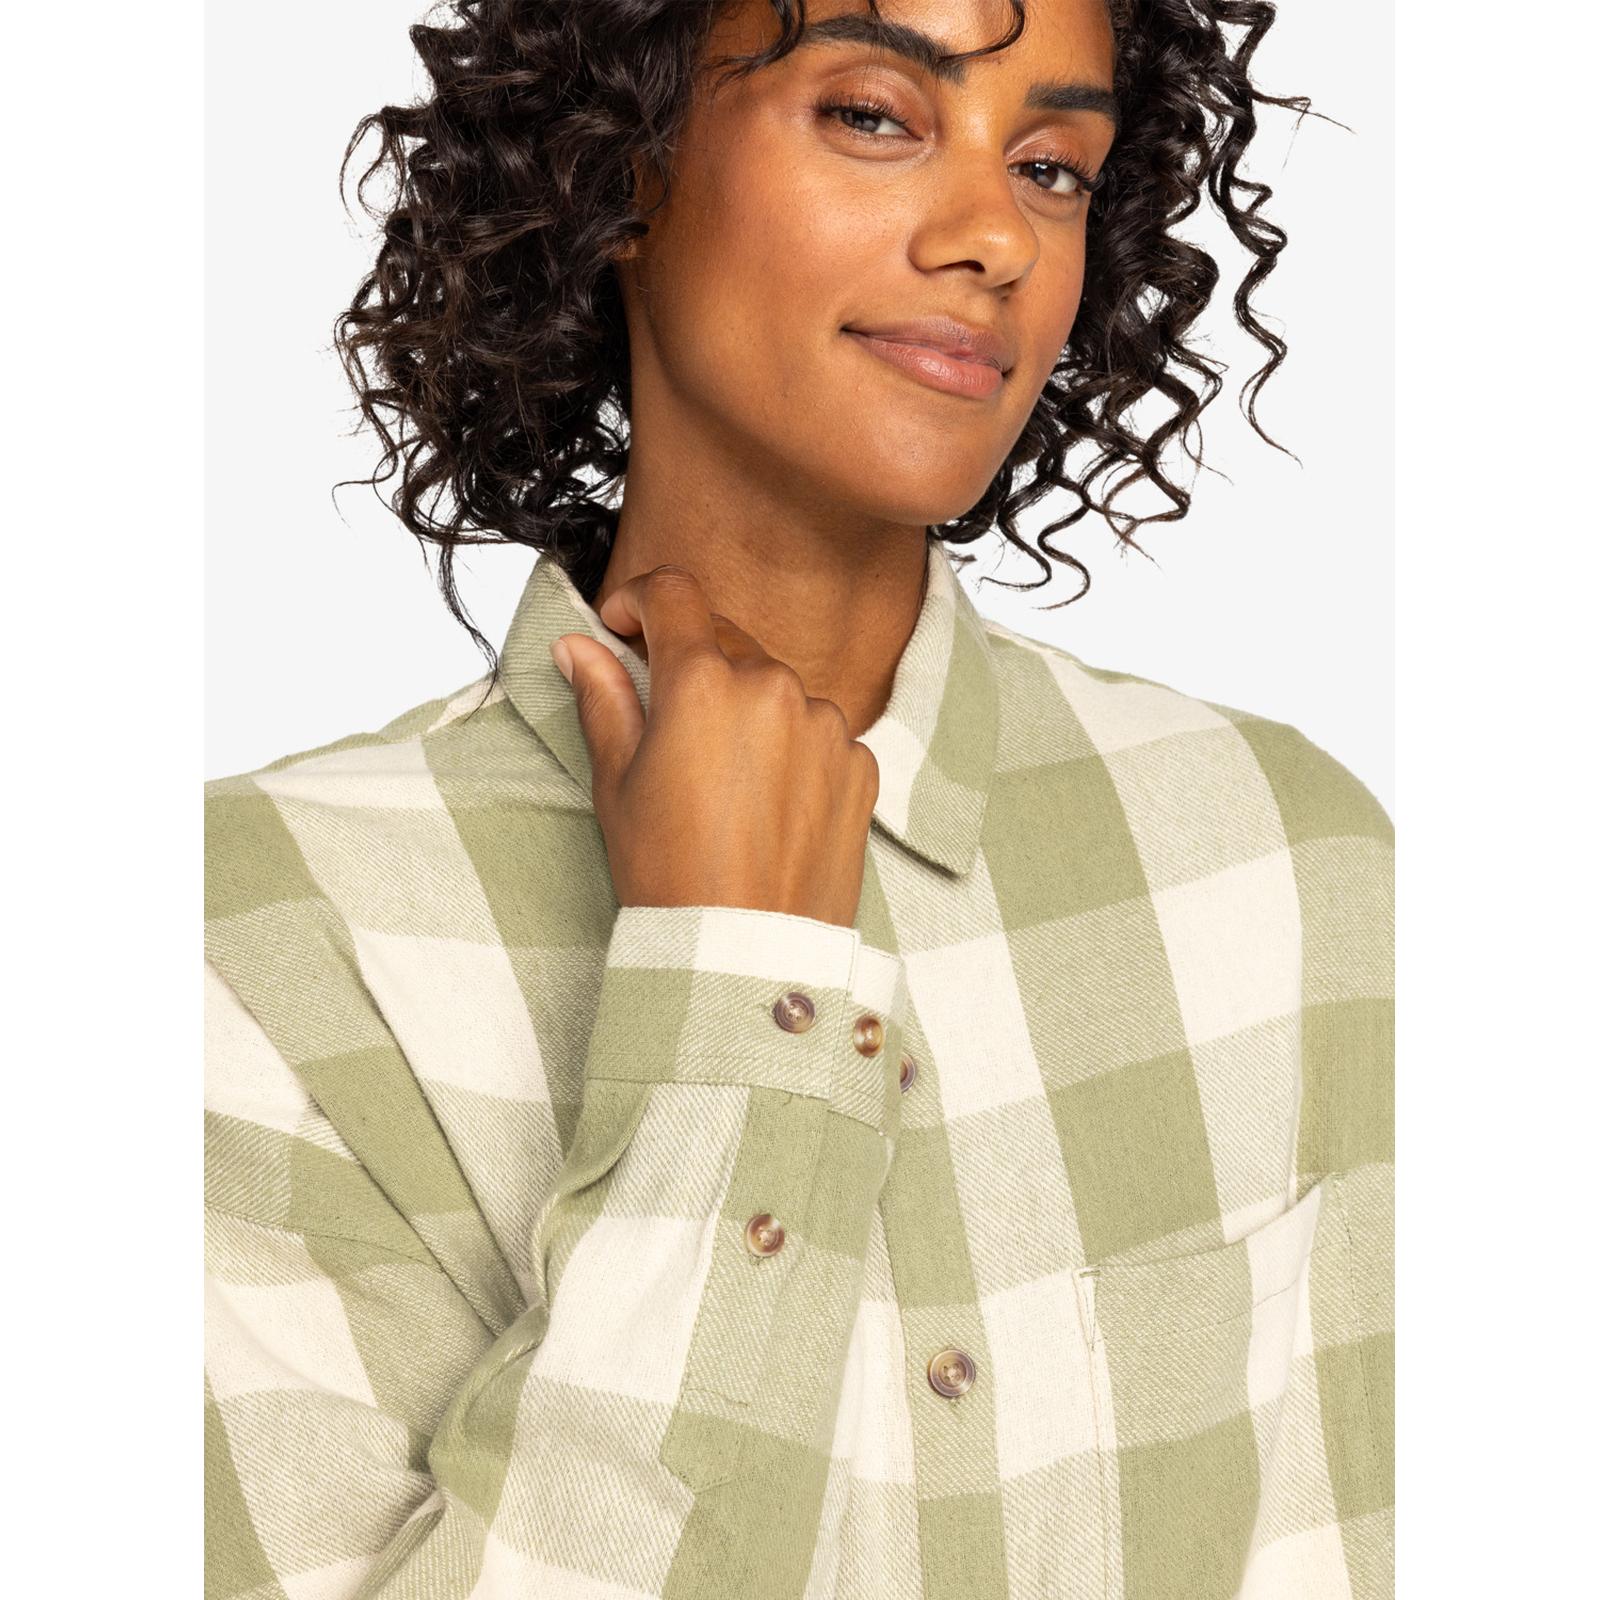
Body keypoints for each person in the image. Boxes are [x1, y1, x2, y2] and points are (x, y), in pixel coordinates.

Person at [204, 1, 1393, 1596]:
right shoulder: (263, 945)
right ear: (620, 162)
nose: (995, 239)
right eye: (874, 116)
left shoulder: (1286, 865)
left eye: (1050, 166)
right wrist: (738, 991)